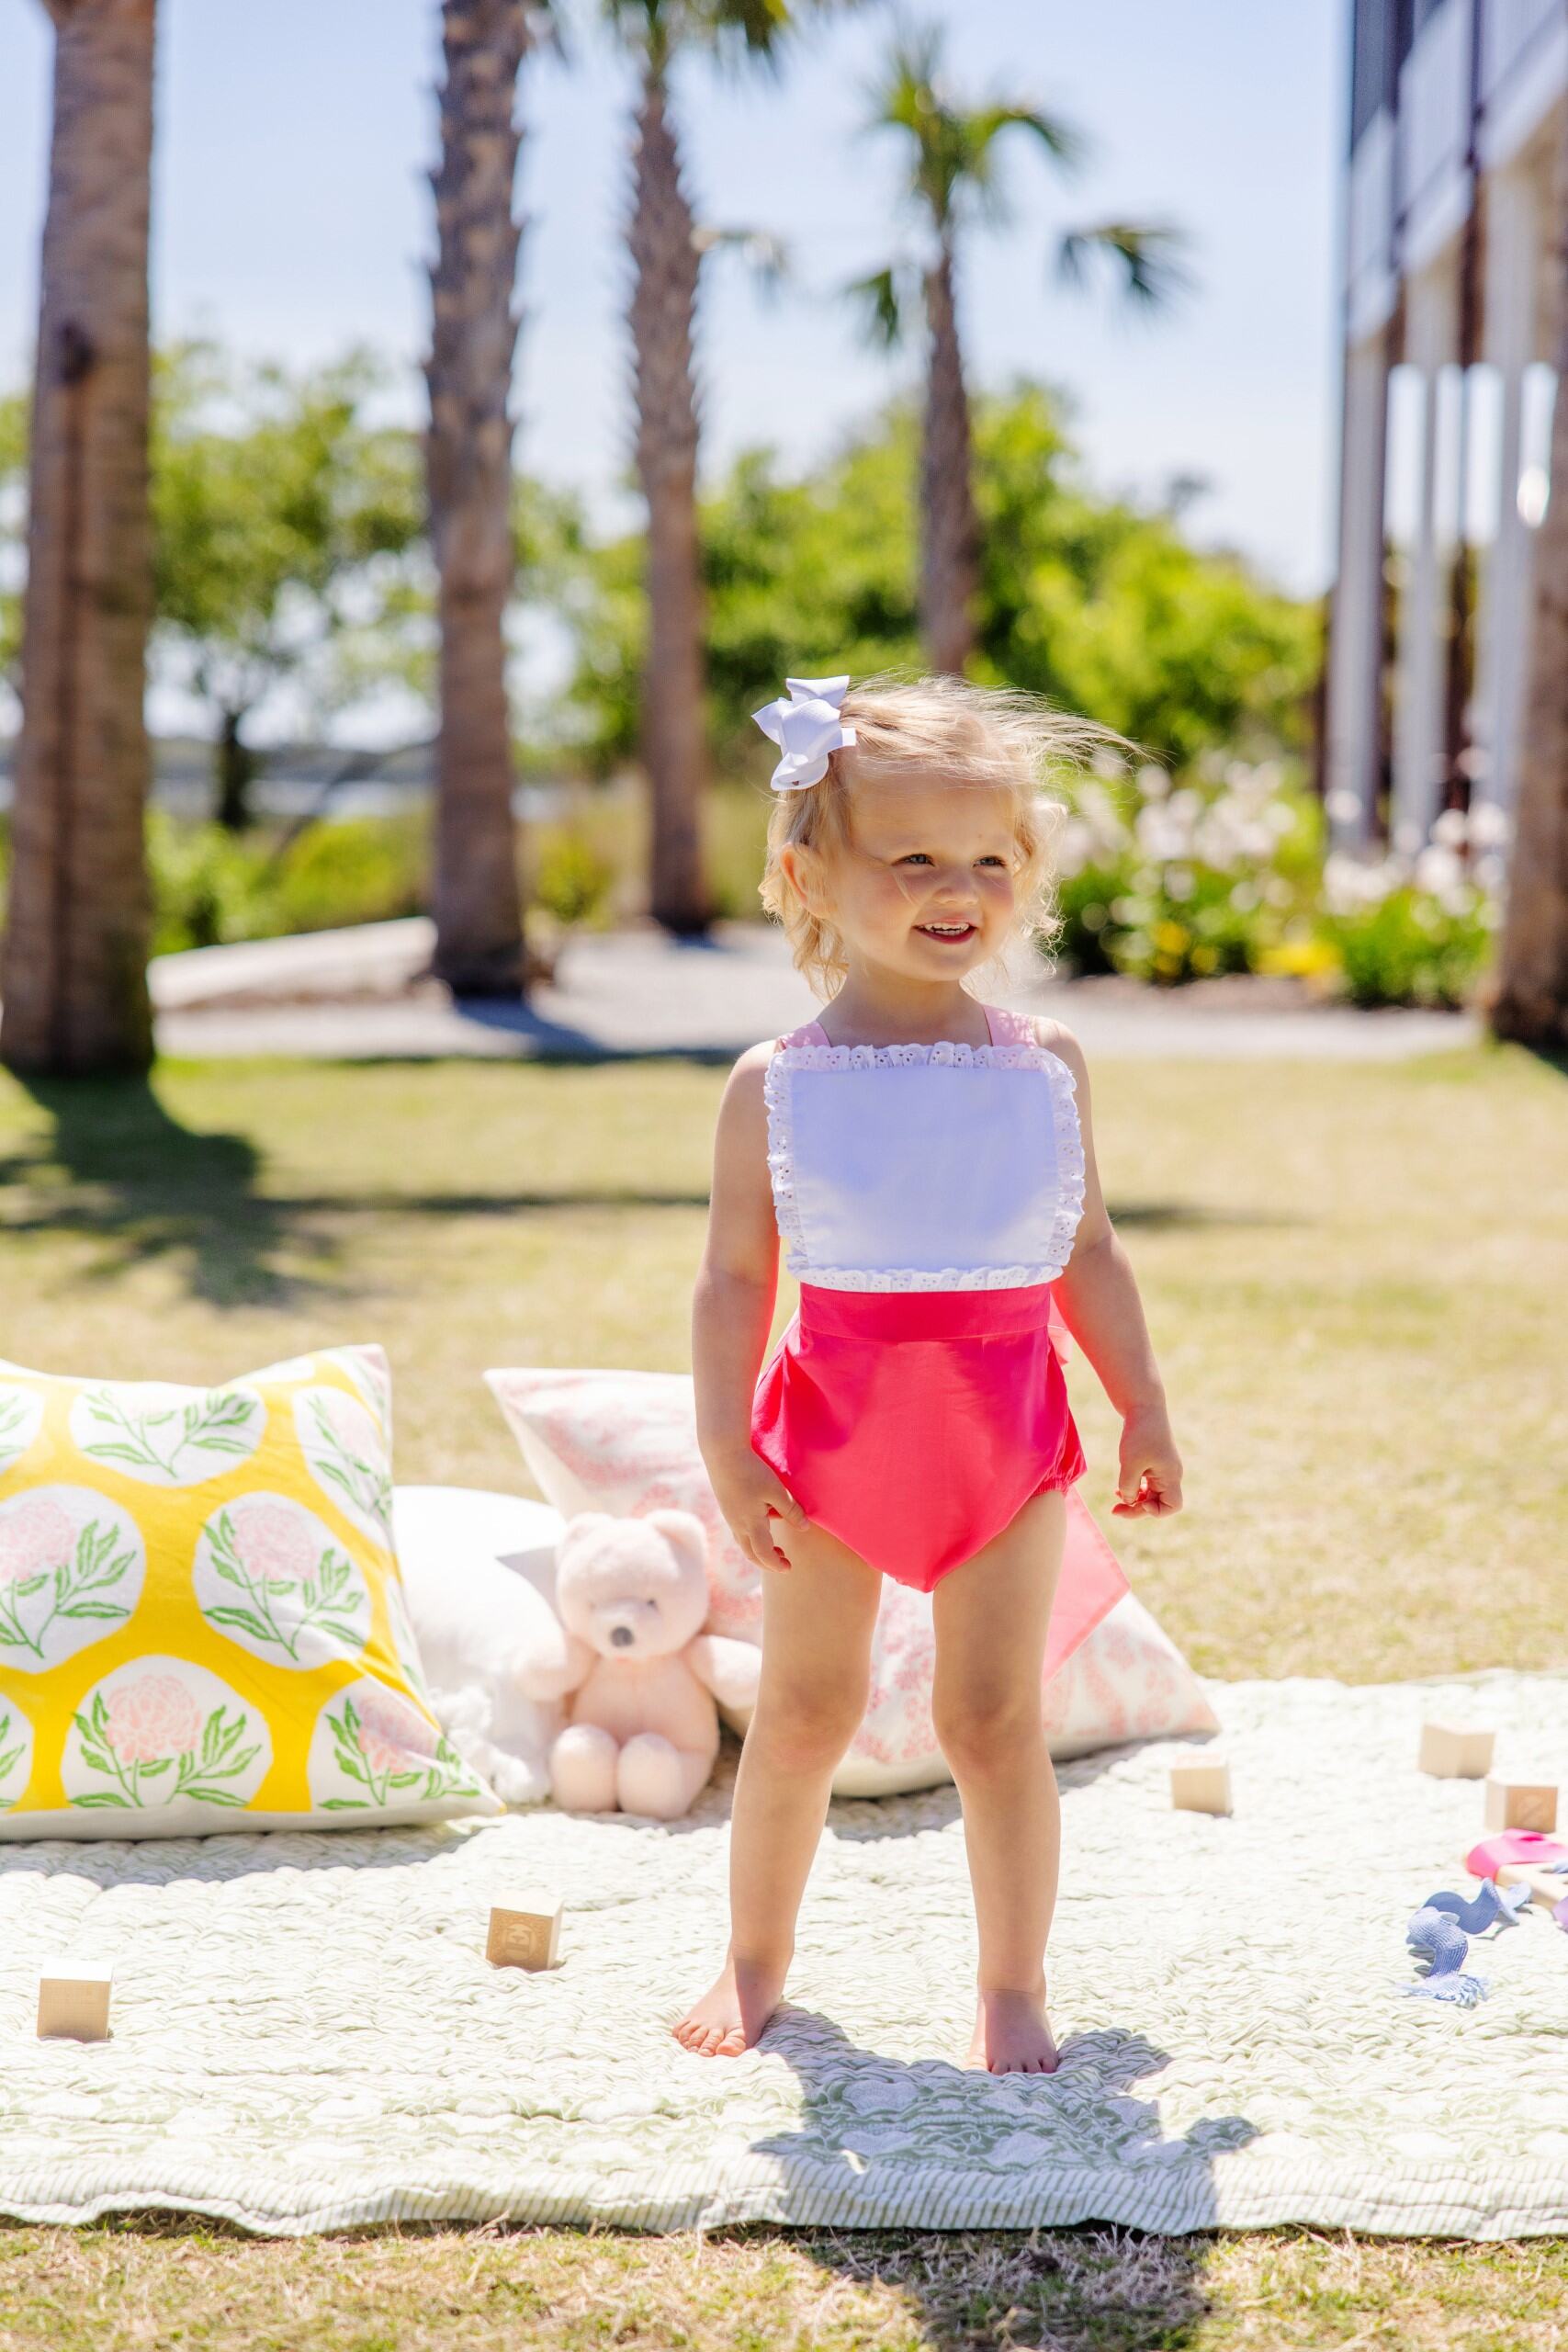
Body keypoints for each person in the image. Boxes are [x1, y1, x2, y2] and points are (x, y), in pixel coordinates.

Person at [673, 671, 1184, 2075]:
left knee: (990, 1717)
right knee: (803, 1716)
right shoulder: (777, 1082)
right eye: (913, 860)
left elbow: (1086, 1248)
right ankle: (755, 1959)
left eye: (992, 860)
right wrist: (726, 1446)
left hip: (1006, 1442)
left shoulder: (1046, 1067)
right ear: (809, 876)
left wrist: (1141, 1401)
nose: (958, 889)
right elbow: (732, 1281)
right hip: (829, 1441)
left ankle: (1012, 1985)